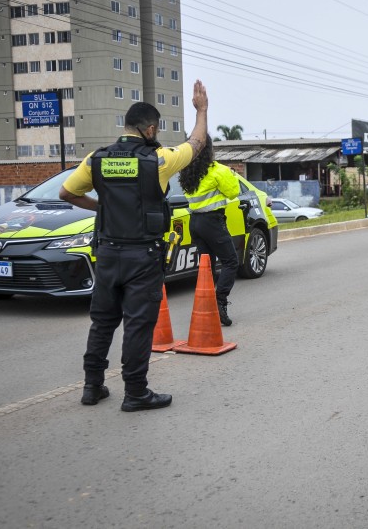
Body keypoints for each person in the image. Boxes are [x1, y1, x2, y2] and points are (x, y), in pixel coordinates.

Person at [59, 80, 209, 412]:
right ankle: (136, 392)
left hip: (108, 252)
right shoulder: (160, 160)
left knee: (102, 322)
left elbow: (66, 194)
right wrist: (201, 110)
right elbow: (196, 143)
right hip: (143, 256)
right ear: (151, 128)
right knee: (139, 324)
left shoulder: (95, 159)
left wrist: (102, 208)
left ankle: (92, 386)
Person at [178, 137, 240, 327]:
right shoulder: (217, 170)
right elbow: (233, 192)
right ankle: (220, 301)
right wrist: (233, 175)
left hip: (194, 222)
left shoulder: (188, 173)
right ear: (209, 150)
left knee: (206, 266)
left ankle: (206, 308)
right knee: (231, 261)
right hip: (212, 221)